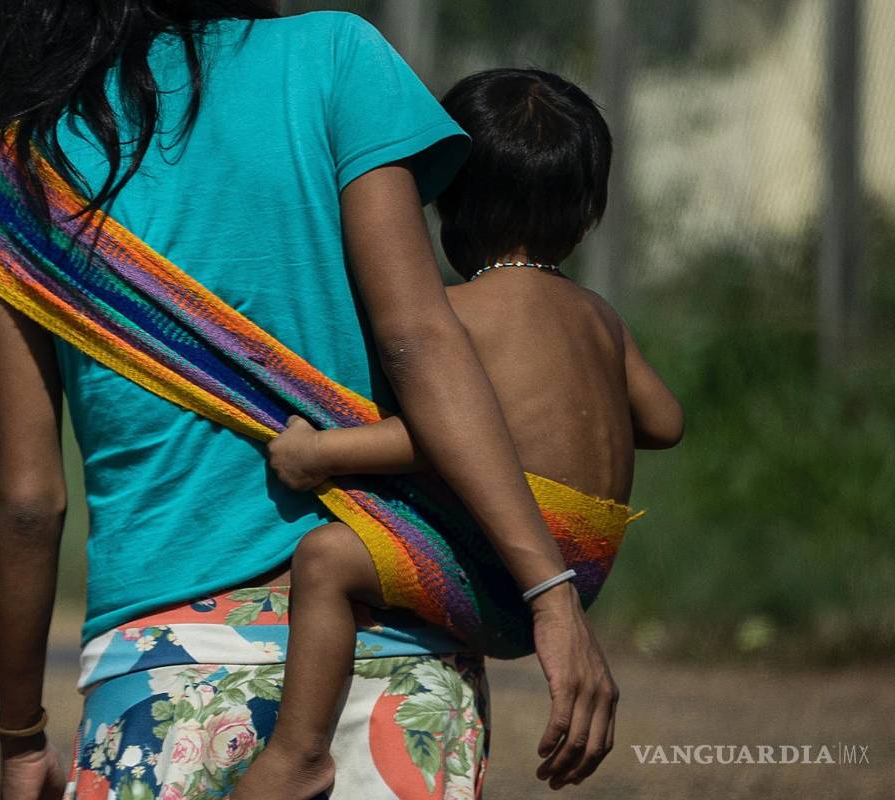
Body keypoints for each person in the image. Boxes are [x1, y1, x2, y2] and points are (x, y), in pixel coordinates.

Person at [0, 1, 627, 795]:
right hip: (390, 644)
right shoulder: (336, 54)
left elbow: (26, 503)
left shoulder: (25, 166)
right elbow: (419, 340)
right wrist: (550, 593)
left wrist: (21, 738)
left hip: (169, 665)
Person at [238, 68, 684, 799]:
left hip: (510, 568)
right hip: (586, 563)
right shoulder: (599, 316)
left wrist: (319, 452)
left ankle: (298, 753)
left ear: (447, 203)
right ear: (587, 212)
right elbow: (665, 423)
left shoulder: (463, 313)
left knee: (325, 560)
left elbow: (441, 436)